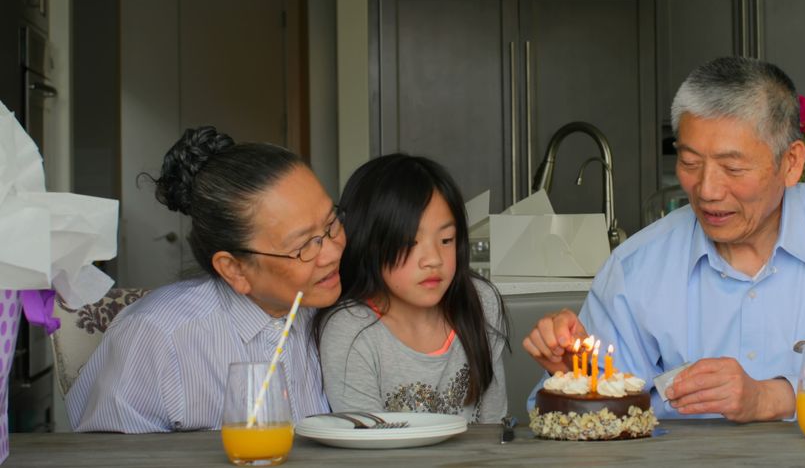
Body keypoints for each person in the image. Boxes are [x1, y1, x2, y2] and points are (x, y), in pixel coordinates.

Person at [522, 56, 805, 422]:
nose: (707, 190)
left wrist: (770, 397)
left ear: (791, 163)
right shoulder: (636, 267)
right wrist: (575, 380)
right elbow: (589, 410)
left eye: (733, 167)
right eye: (689, 163)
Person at [68, 127, 344, 432]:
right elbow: (114, 458)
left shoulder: (330, 314)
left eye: (332, 223)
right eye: (304, 246)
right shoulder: (159, 337)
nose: (331, 252)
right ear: (234, 270)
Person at [317, 154, 508, 423]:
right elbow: (366, 449)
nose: (433, 259)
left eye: (446, 239)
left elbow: (494, 429)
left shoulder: (479, 301)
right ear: (369, 243)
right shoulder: (350, 330)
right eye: (409, 243)